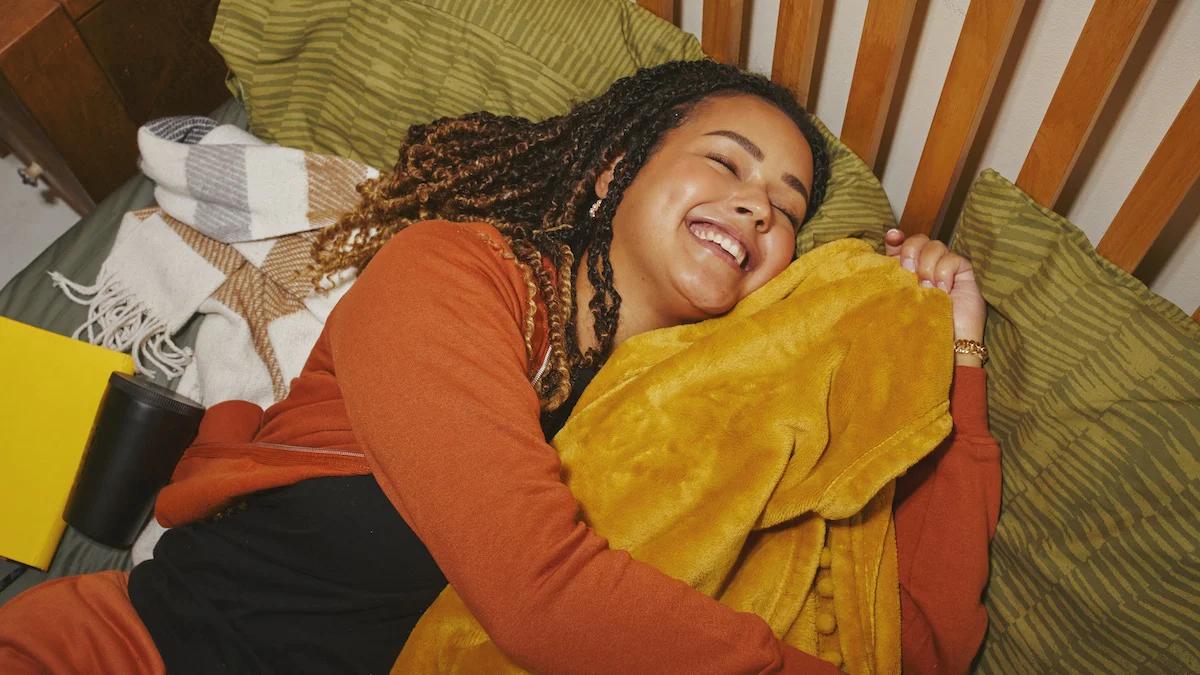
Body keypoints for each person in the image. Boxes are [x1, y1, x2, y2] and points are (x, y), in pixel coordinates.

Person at [0, 59, 999, 674]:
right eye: (727, 164)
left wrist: (956, 353)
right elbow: (538, 596)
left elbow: (905, 639)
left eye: (785, 209)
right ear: (615, 170)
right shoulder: (452, 274)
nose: (757, 210)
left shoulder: (714, 417)